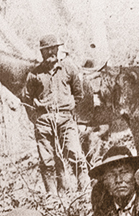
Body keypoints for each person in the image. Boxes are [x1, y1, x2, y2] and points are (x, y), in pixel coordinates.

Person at [23, 34, 90, 194]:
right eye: (46, 50)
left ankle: (86, 194)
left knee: (75, 155)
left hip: (66, 120)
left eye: (53, 49)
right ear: (41, 53)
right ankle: (52, 198)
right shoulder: (34, 74)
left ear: (58, 49)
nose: (50, 53)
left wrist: (69, 108)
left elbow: (79, 94)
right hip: (44, 121)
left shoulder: (69, 69)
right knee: (47, 162)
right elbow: (26, 99)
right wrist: (37, 119)